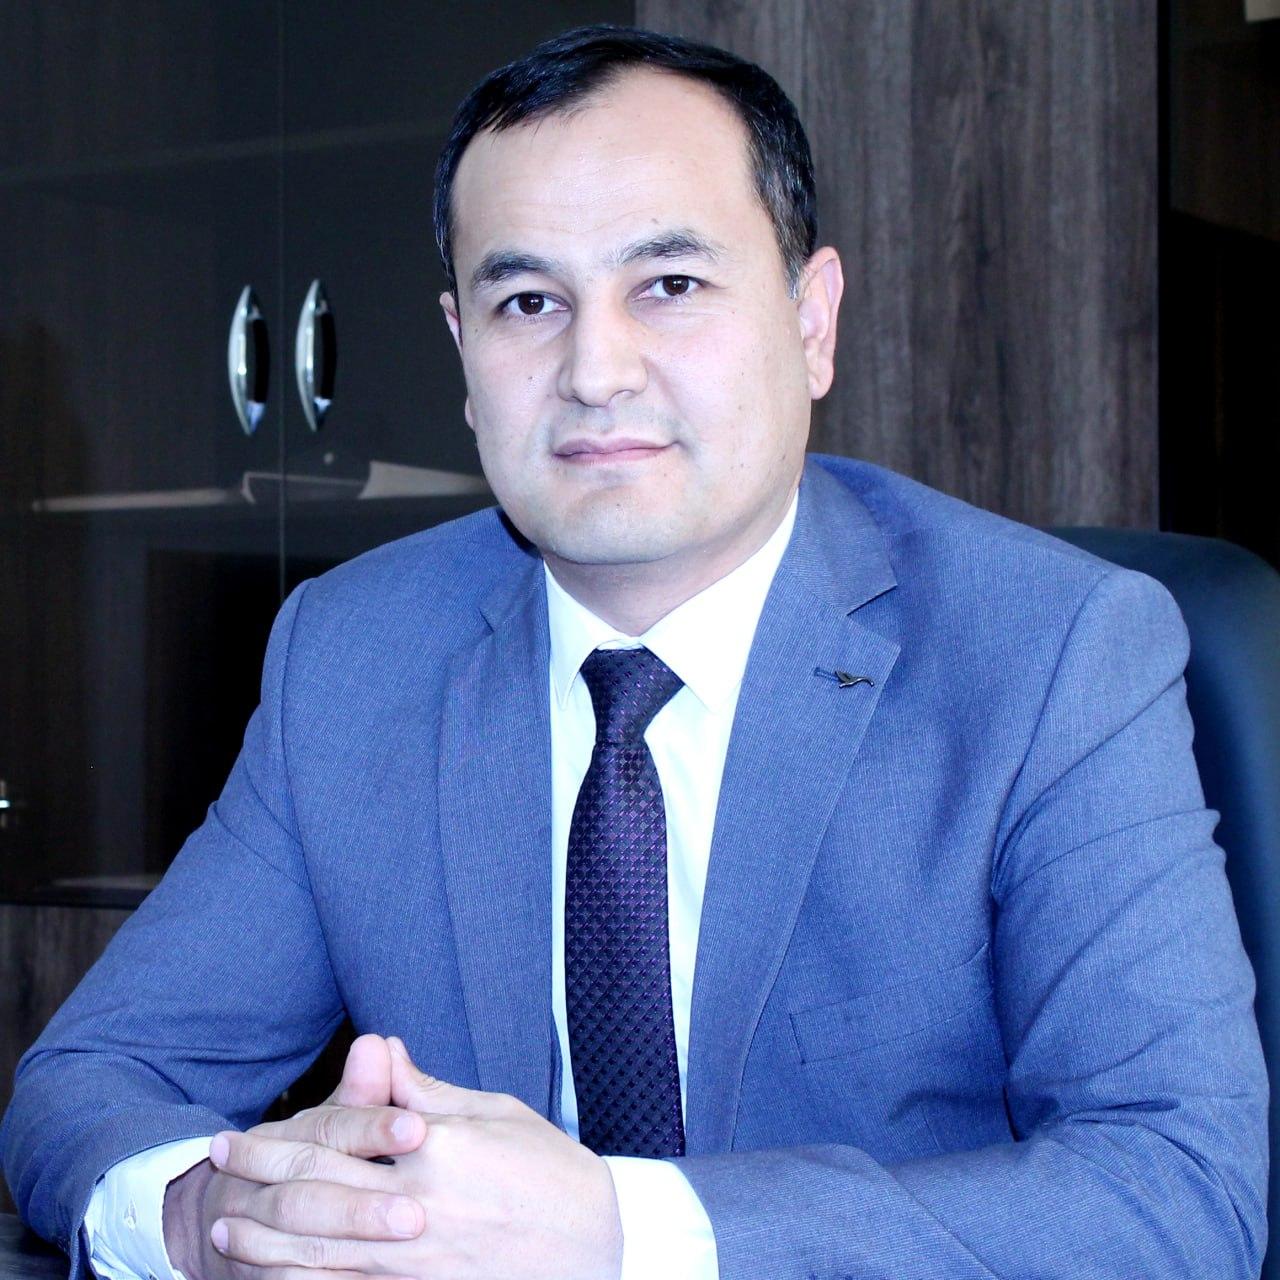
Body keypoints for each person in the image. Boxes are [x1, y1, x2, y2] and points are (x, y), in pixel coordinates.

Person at [2, 23, 1268, 1280]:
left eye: (668, 284)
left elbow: (1179, 1190)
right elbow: (92, 1078)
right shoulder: (352, 655)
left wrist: (623, 1231)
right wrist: (206, 1217)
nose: (594, 370)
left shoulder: (1052, 654)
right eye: (527, 302)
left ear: (810, 319)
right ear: (462, 352)